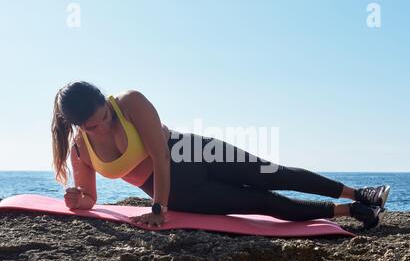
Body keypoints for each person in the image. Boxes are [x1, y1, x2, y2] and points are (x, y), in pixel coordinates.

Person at [52, 81, 390, 230]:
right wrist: (76, 199)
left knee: (274, 173)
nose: (103, 126)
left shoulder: (129, 102)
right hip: (181, 192)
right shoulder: (81, 150)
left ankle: (361, 192)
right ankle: (353, 210)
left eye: (105, 117)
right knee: (262, 203)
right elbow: (90, 199)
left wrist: (159, 208)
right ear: (78, 125)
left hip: (192, 152)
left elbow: (160, 155)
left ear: (105, 101)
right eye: (93, 126)